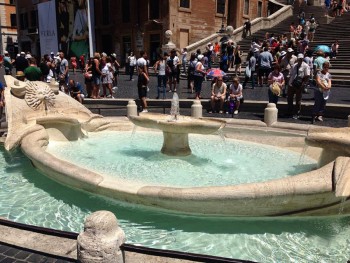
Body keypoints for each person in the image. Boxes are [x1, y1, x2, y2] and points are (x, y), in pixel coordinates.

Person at [287, 53, 310, 119]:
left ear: (303, 59)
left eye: (301, 59)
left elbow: (307, 75)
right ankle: (289, 111)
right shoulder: (294, 65)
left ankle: (297, 113)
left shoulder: (305, 66)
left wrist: (303, 84)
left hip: (299, 84)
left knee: (298, 99)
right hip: (291, 83)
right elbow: (291, 73)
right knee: (289, 98)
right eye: (299, 58)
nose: (300, 60)